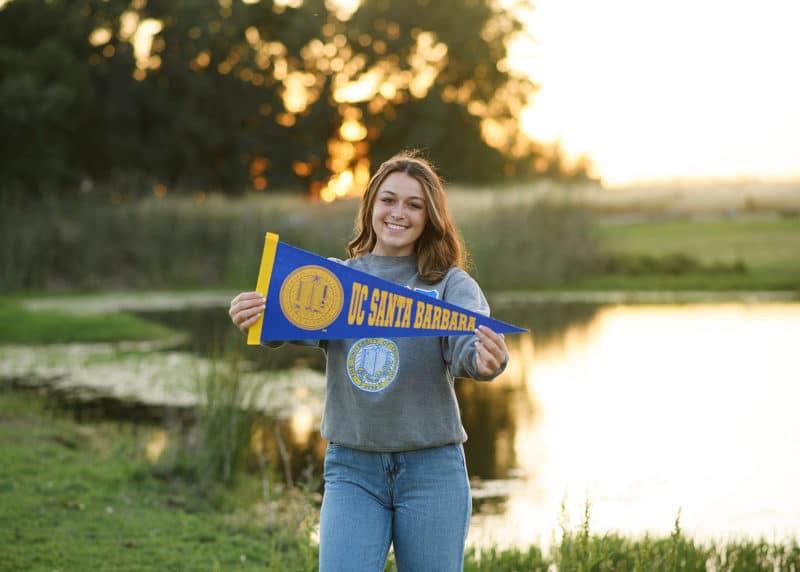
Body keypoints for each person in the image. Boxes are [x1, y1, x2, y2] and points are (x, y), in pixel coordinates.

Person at [228, 151, 509, 571]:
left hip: (432, 470)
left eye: (414, 205)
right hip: (353, 470)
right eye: (389, 200)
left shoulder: (450, 283)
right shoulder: (336, 278)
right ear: (371, 206)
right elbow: (284, 321)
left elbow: (469, 347)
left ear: (430, 216)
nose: (399, 213)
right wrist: (255, 315)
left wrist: (486, 360)